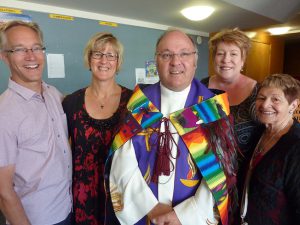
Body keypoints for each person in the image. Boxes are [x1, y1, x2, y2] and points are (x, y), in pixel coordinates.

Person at [107, 29, 239, 225]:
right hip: (144, 215)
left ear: (195, 60)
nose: (175, 61)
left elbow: (221, 171)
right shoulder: (140, 103)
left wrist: (184, 215)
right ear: (156, 60)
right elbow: (122, 161)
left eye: (184, 53)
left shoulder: (212, 107)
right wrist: (149, 206)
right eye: (166, 54)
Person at [0, 21, 72, 225]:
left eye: (36, 48)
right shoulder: (4, 113)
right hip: (39, 218)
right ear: (5, 56)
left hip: (69, 206)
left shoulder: (53, 94)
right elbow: (3, 192)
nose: (31, 56)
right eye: (20, 49)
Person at [62, 32, 132, 225]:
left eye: (111, 55)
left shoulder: (134, 101)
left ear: (118, 62)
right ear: (89, 58)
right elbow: (62, 151)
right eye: (98, 53)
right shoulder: (71, 102)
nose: (104, 60)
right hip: (83, 196)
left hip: (123, 194)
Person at [240, 74, 300, 225]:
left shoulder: (296, 146)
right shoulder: (259, 132)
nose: (265, 105)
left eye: (275, 99)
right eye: (261, 97)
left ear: (293, 105)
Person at [202, 28, 259, 158]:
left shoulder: (258, 92)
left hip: (245, 172)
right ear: (214, 58)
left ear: (243, 60)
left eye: (233, 54)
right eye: (220, 53)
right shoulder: (202, 86)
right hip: (206, 168)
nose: (226, 60)